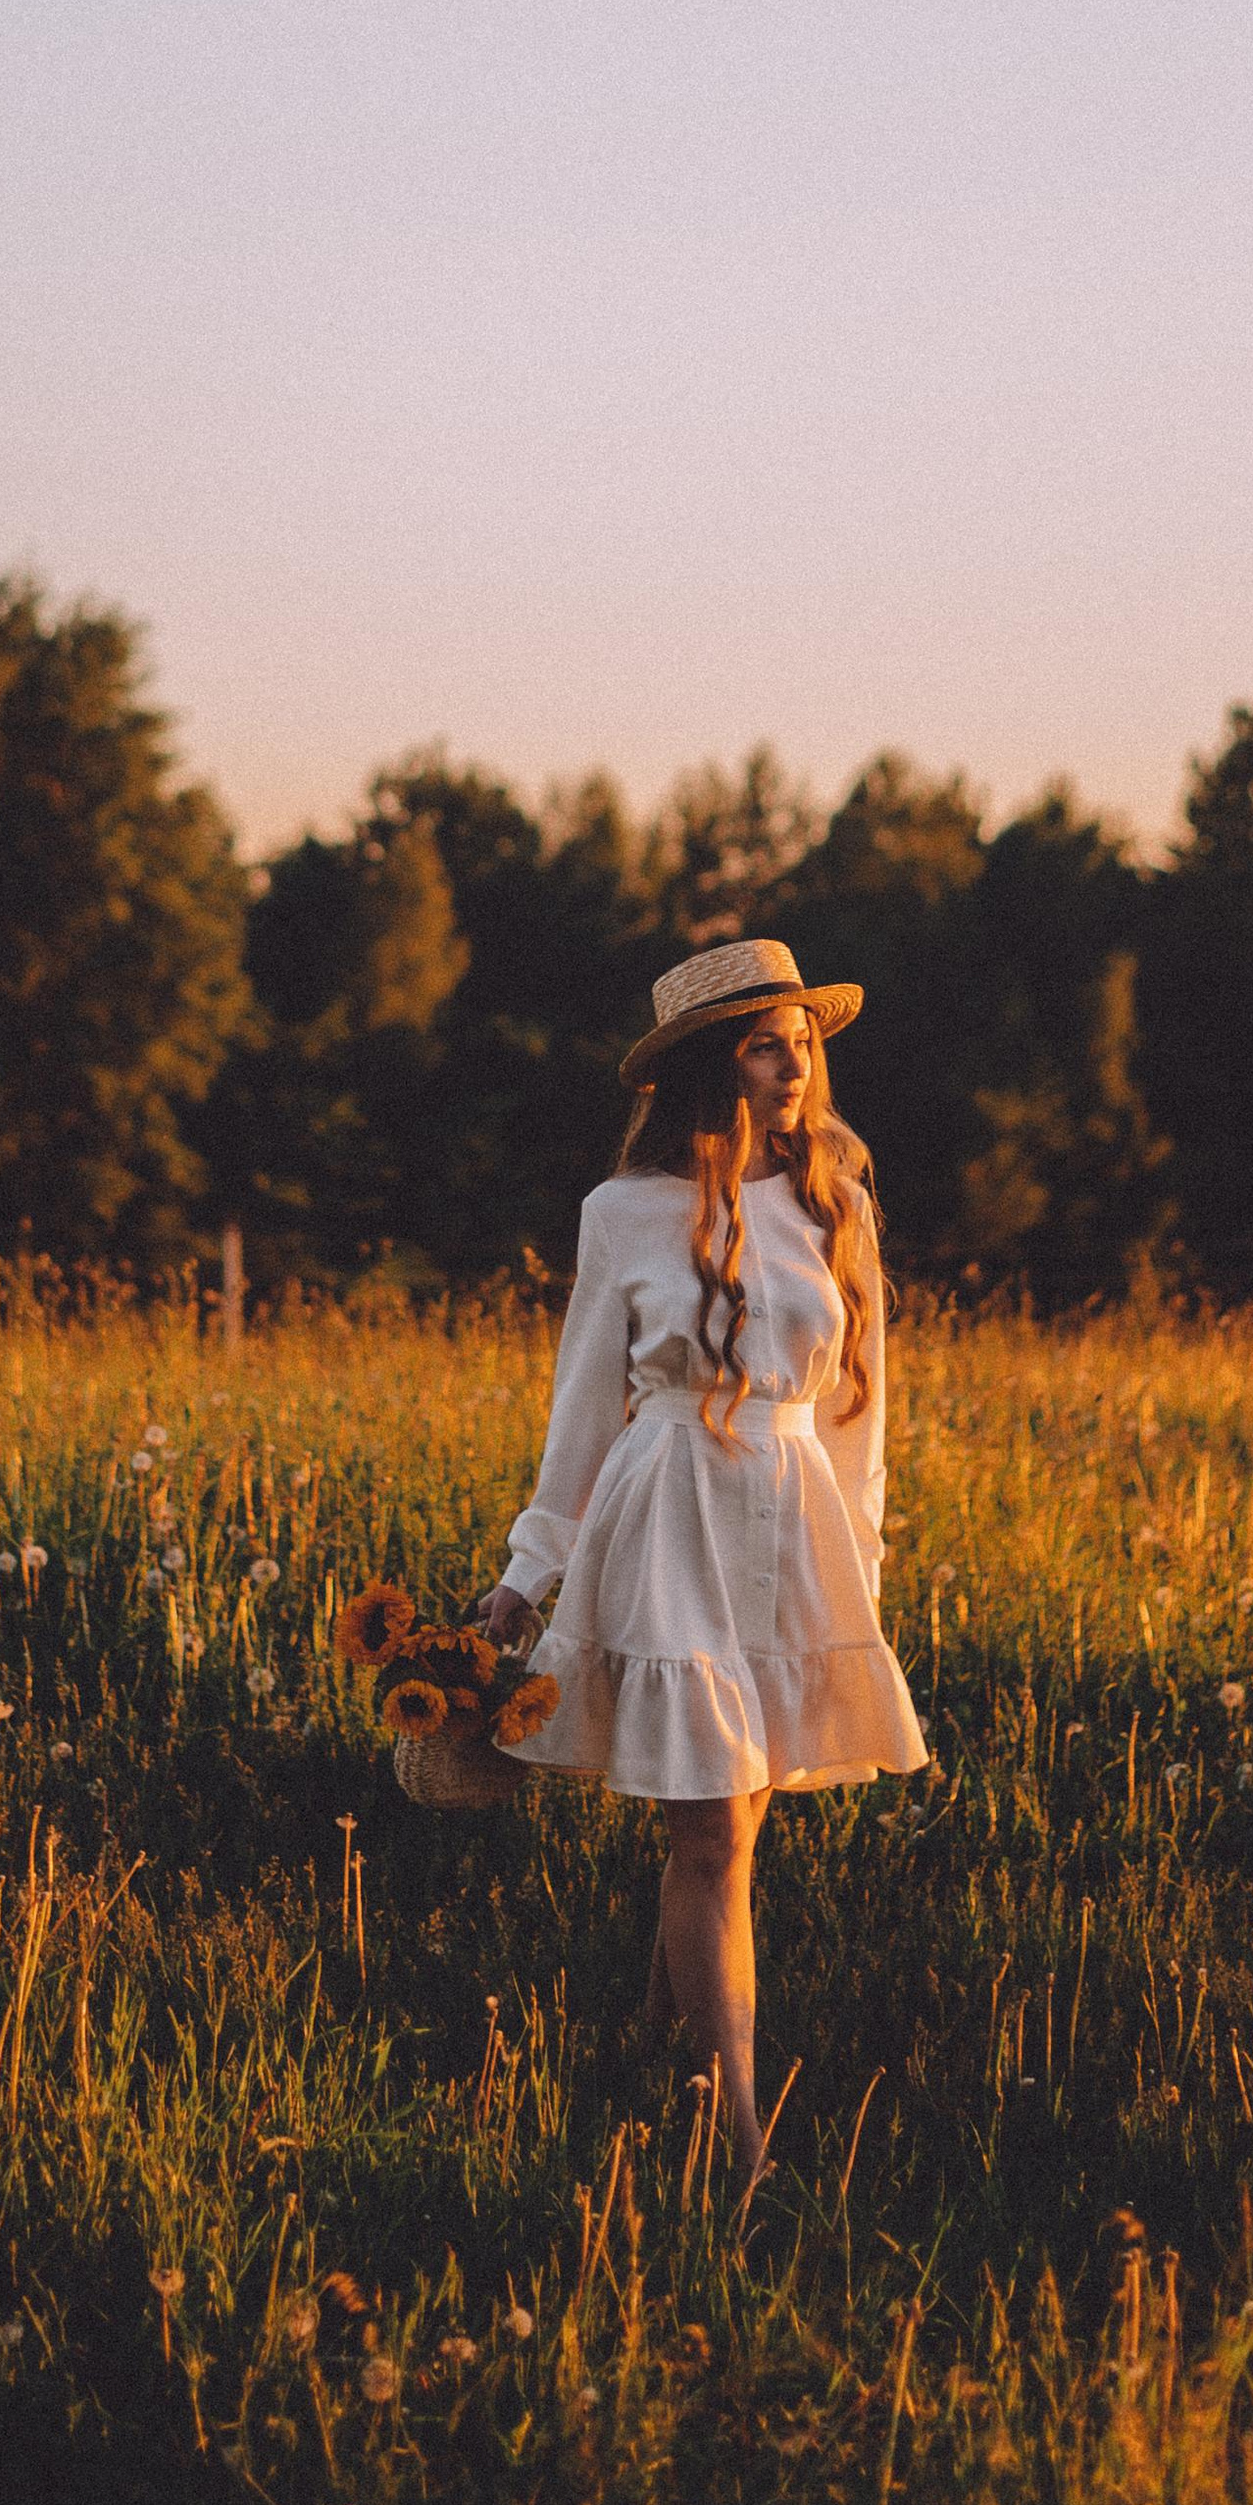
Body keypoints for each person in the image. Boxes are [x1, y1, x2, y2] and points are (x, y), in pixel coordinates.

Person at [480, 936, 927, 2198]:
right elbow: (584, 1408)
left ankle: (655, 2051)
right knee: (713, 1839)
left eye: (803, 1040)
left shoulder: (837, 1193)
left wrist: (863, 1577)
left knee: (726, 1835)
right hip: (666, 1513)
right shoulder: (621, 1213)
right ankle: (740, 2139)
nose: (794, 1065)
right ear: (700, 1068)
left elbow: (861, 1413)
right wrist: (528, 1572)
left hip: (793, 1531)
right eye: (763, 1043)